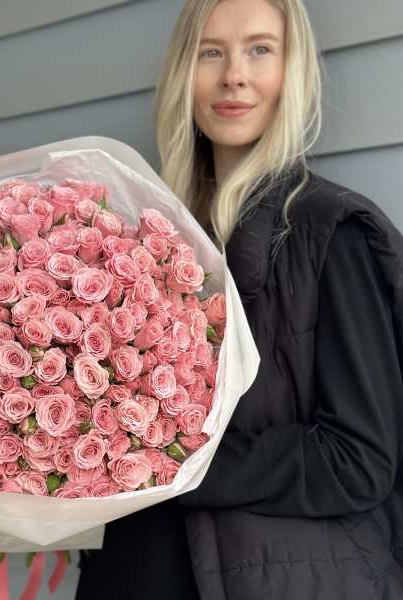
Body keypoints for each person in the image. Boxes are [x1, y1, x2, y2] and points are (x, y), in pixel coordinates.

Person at [75, 0, 403, 599]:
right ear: (184, 72)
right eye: (211, 52)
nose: (234, 75)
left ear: (291, 71)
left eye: (260, 50)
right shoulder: (136, 239)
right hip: (129, 568)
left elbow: (357, 461)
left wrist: (161, 467)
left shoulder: (331, 232)